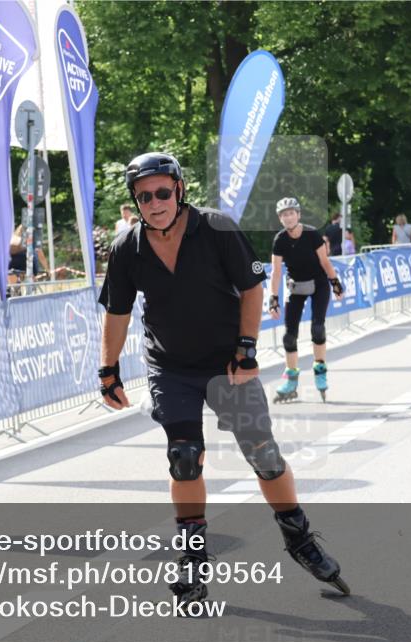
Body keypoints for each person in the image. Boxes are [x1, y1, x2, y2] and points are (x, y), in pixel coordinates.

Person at [97, 153, 349, 609]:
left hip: (227, 363)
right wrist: (108, 370)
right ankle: (192, 560)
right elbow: (117, 311)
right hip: (171, 367)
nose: (154, 203)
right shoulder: (127, 247)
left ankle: (299, 538)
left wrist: (247, 348)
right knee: (184, 457)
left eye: (162, 192)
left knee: (265, 456)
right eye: (144, 196)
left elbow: (253, 288)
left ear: (179, 190)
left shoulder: (216, 228)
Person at [267, 197, 344, 404]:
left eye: (291, 213)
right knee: (289, 337)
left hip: (318, 283)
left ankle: (320, 369)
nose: (288, 217)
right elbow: (275, 272)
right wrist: (273, 298)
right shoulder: (280, 240)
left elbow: (325, 261)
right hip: (296, 286)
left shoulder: (311, 234)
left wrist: (335, 283)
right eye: (284, 214)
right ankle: (291, 380)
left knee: (317, 328)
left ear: (298, 215)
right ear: (280, 219)